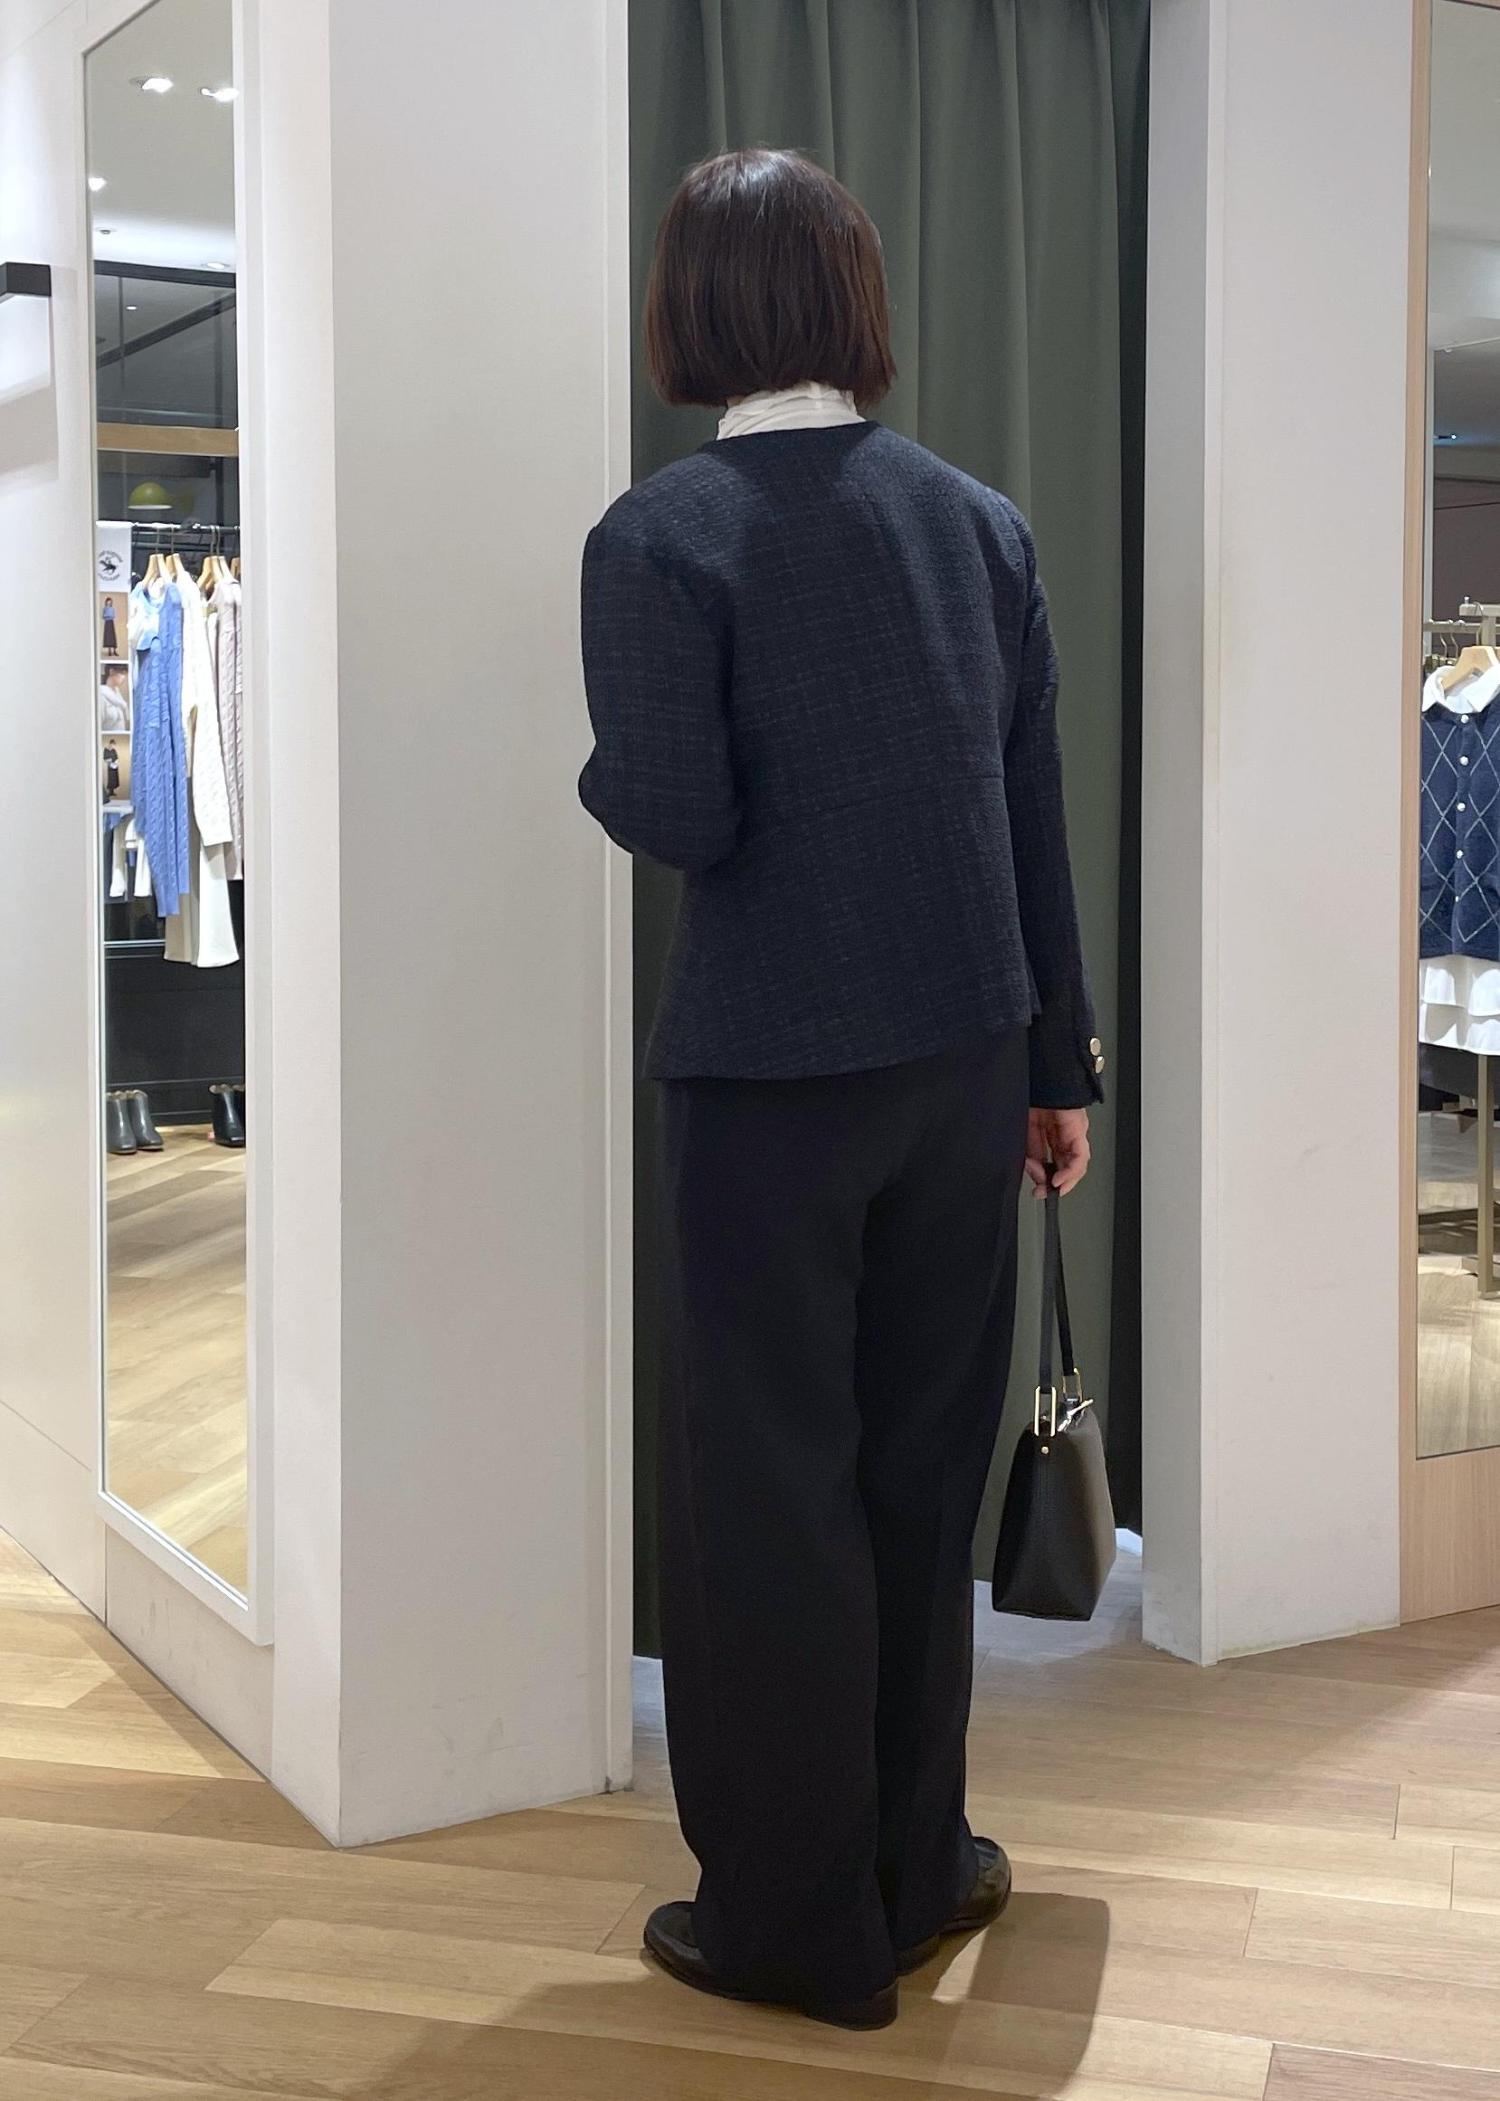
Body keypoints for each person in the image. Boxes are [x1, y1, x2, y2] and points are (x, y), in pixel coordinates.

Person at [578, 146, 1103, 2033]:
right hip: (965, 1066)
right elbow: (1031, 814)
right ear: (856, 301)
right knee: (913, 1477)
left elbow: (681, 815)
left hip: (768, 1087)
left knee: (766, 1495)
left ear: (691, 308)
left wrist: (604, 758)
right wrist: (1059, 1064)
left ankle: (794, 1924)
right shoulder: (979, 522)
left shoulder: (659, 539)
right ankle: (918, 1863)